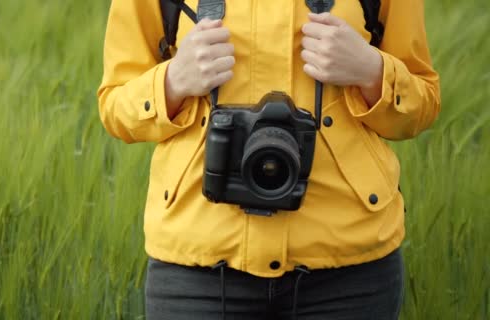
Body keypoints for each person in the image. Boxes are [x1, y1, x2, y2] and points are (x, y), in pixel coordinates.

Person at [97, 0, 440, 319]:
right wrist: (171, 83)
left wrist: (371, 72)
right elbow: (115, 104)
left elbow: (423, 102)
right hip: (196, 276)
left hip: (349, 279)